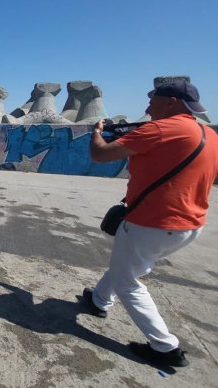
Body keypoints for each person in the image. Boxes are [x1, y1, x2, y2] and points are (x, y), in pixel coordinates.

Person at [83, 81, 217, 368]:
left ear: (171, 102)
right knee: (127, 264)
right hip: (190, 223)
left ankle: (165, 346)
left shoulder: (160, 129)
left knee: (127, 280)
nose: (147, 107)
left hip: (153, 221)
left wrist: (96, 135)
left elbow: (101, 154)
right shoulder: (208, 133)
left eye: (152, 99)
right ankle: (98, 300)